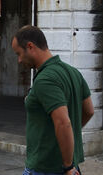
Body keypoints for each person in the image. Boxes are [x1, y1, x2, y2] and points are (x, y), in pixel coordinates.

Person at [14, 25, 92, 175]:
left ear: (30, 46)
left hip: (46, 167)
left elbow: (63, 122)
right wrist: (67, 136)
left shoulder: (45, 79)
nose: (19, 60)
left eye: (19, 53)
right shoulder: (72, 72)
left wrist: (67, 166)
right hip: (69, 166)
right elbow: (89, 111)